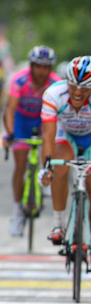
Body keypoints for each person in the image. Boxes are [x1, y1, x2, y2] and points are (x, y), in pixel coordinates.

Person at [38, 56, 91, 274]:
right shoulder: (53, 95)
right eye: (73, 85)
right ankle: (58, 224)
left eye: (84, 88)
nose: (77, 92)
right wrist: (45, 168)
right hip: (65, 134)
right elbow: (47, 137)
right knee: (59, 165)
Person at [2, 46, 61, 237]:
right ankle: (18, 211)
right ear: (31, 66)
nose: (42, 71)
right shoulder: (19, 80)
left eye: (46, 67)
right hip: (22, 121)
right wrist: (10, 133)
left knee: (49, 149)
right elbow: (10, 109)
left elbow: (61, 112)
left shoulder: (56, 83)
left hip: (44, 120)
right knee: (20, 163)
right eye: (38, 67)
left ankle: (45, 179)